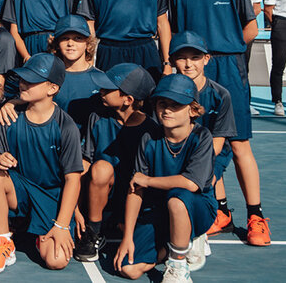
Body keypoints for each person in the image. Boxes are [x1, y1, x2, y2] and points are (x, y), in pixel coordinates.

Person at [169, 0, 270, 247]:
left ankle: (256, 216)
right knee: (204, 142)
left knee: (239, 143)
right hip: (193, 74)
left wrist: (226, 53)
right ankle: (221, 213)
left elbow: (251, 28)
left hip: (228, 68)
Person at [0, 53, 84, 274]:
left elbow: (73, 179)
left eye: (32, 80)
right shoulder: (9, 115)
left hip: (51, 197)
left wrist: (62, 225)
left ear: (52, 88)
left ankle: (33, 233)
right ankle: (3, 243)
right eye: (23, 78)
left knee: (57, 260)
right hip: (20, 191)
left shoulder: (66, 127)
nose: (23, 83)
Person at [113, 74, 217, 282]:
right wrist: (127, 237)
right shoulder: (149, 138)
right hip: (158, 210)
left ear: (193, 110)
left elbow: (191, 183)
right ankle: (174, 247)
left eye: (176, 105)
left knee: (177, 199)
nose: (167, 110)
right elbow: (136, 187)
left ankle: (179, 263)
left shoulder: (201, 137)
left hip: (195, 207)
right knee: (129, 269)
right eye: (162, 103)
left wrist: (149, 181)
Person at [74, 63, 158, 262]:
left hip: (134, 197)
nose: (101, 91)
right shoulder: (97, 117)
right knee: (101, 168)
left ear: (128, 99)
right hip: (99, 193)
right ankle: (94, 230)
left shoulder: (150, 131)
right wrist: (75, 208)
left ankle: (122, 222)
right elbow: (85, 162)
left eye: (108, 89)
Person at [168, 31, 238, 242]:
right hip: (175, 152)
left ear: (206, 59)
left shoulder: (220, 95)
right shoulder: (165, 92)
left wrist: (195, 160)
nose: (189, 64)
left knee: (201, 180)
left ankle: (198, 230)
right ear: (172, 60)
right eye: (182, 58)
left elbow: (218, 141)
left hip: (209, 156)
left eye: (195, 57)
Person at [224, 0, 262, 114]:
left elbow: (256, 8)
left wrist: (243, 23)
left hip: (242, 32)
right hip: (224, 33)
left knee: (242, 68)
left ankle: (246, 103)